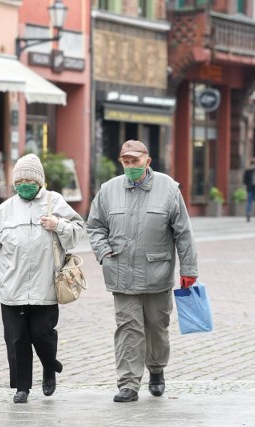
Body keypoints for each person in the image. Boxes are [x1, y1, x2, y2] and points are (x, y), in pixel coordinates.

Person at [86, 140, 199, 403]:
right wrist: (103, 252)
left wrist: (189, 269)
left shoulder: (169, 189)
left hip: (157, 273)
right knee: (128, 328)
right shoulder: (108, 190)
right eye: (125, 161)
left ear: (147, 161)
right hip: (121, 273)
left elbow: (183, 232)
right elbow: (94, 226)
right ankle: (128, 383)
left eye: (135, 161)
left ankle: (157, 369)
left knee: (157, 327)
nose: (130, 166)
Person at [0, 154, 85, 404]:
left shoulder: (56, 202)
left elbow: (77, 233)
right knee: (17, 339)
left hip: (46, 287)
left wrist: (59, 225)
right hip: (12, 288)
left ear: (40, 181)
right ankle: (22, 387)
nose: (25, 183)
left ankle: (49, 368)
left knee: (43, 334)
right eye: (20, 180)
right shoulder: (5, 210)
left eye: (30, 179)